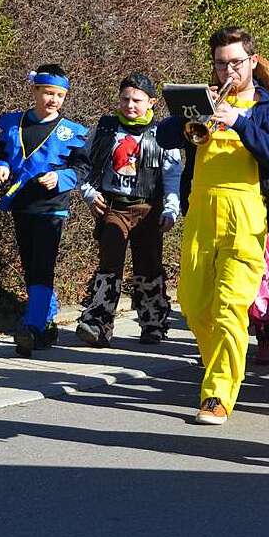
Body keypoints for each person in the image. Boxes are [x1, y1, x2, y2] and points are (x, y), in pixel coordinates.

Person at [157, 26, 269, 425]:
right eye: (221, 64)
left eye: (236, 62)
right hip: (201, 208)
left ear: (252, 61)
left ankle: (218, 393)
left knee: (230, 308)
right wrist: (193, 114)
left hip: (246, 212)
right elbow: (164, 135)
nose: (228, 70)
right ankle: (222, 361)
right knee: (194, 303)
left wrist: (237, 121)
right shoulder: (206, 98)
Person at [0, 64, 88, 356]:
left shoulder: (72, 132)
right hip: (23, 205)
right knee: (31, 265)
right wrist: (2, 166)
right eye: (48, 93)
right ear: (35, 91)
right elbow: (2, 152)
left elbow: (83, 168)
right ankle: (46, 318)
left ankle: (32, 327)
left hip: (52, 208)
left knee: (43, 266)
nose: (53, 100)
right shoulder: (15, 123)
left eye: (59, 95)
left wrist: (60, 178)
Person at [75, 72, 180, 348]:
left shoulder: (163, 134)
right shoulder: (106, 129)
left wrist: (171, 208)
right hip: (113, 206)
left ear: (152, 102)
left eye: (137, 100)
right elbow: (84, 164)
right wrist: (88, 192)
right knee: (109, 261)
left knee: (149, 265)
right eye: (125, 99)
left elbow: (173, 176)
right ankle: (97, 322)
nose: (130, 105)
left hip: (149, 209)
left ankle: (153, 322)